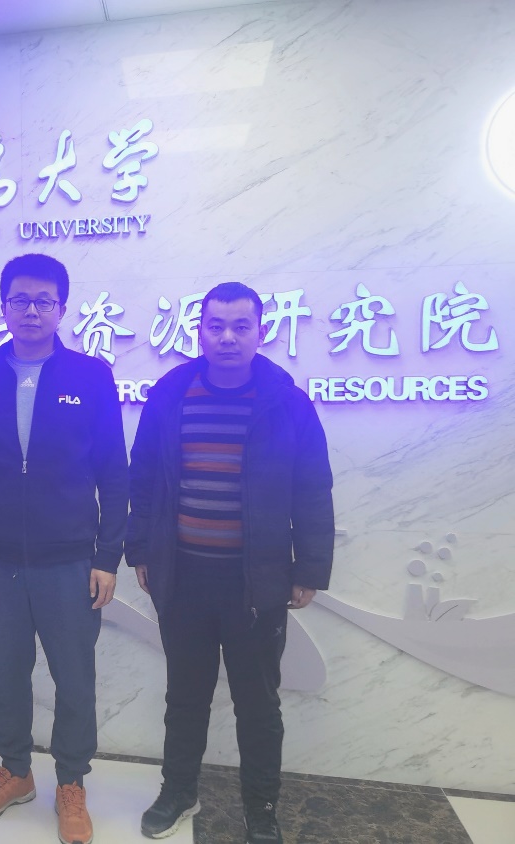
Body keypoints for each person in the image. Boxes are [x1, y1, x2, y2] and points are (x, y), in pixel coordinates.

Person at [127, 281, 334, 843]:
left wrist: (310, 568)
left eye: (241, 327)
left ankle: (261, 808)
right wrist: (140, 549)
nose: (227, 337)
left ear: (260, 332)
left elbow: (313, 487)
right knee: (185, 697)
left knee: (258, 705)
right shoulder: (171, 393)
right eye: (216, 326)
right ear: (199, 331)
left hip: (256, 581)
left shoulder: (286, 400)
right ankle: (178, 791)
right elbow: (143, 476)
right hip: (183, 576)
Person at [0, 253, 128, 844]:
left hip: (70, 561)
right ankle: (16, 770)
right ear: (3, 306)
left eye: (43, 301)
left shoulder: (90, 376)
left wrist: (107, 557)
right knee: (6, 674)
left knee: (74, 679)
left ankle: (71, 782)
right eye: (20, 301)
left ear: (61, 308)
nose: (31, 311)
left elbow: (114, 472)